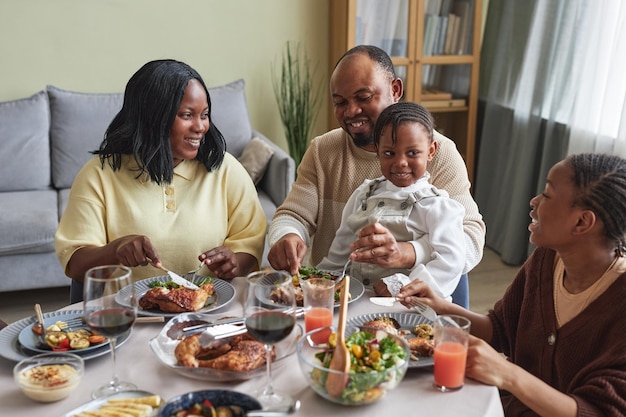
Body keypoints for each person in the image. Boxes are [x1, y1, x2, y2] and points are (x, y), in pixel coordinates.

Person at [399, 153, 626, 416]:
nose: (534, 201)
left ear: (582, 222)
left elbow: (597, 412)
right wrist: (440, 306)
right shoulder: (547, 259)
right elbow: (500, 330)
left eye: (548, 195)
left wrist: (508, 374)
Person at [267, 45, 485, 304]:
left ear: (395, 90)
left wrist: (411, 252)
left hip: (407, 303)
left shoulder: (440, 153)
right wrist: (286, 236)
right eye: (340, 102)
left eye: (363, 97)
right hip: (339, 300)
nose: (350, 112)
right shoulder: (323, 151)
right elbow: (292, 216)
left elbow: (470, 239)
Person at [55, 59, 267, 301]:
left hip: (210, 314)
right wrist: (115, 250)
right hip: (129, 319)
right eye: (187, 115)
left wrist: (234, 263)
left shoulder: (226, 169)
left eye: (204, 115)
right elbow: (76, 262)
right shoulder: (98, 175)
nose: (201, 127)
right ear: (153, 117)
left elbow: (249, 247)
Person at [317, 102, 465, 300]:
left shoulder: (439, 206)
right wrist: (319, 282)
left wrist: (404, 285)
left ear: (431, 151)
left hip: (411, 307)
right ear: (377, 151)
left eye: (412, 153)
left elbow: (451, 261)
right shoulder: (363, 194)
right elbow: (339, 252)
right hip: (357, 302)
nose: (400, 162)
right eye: (389, 153)